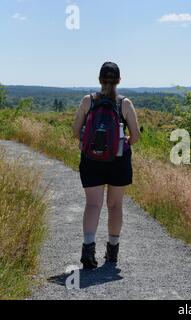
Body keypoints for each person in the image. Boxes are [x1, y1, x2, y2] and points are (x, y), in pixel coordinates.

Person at [72, 62, 140, 269]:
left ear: (100, 79)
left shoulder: (88, 101)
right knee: (115, 205)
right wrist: (122, 141)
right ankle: (112, 253)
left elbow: (76, 132)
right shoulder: (125, 104)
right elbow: (136, 137)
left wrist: (92, 144)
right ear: (119, 80)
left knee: (93, 204)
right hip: (118, 160)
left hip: (91, 160)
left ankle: (88, 249)